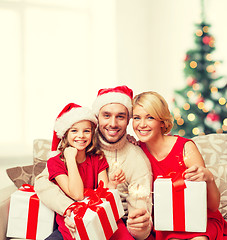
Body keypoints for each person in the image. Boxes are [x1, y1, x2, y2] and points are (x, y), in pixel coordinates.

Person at [34, 85, 153, 240]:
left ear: (127, 120)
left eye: (120, 117)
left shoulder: (132, 158)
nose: (113, 124)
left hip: (111, 222)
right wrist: (69, 210)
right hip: (70, 222)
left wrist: (140, 225)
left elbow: (136, 206)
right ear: (97, 118)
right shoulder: (79, 143)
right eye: (106, 115)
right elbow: (42, 183)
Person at [132, 91, 227, 240]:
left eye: (150, 117)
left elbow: (213, 206)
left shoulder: (185, 148)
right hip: (168, 223)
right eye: (137, 118)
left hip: (201, 220)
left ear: (162, 122)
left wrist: (208, 178)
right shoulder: (136, 152)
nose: (141, 124)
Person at [46, 103, 126, 239]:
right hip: (71, 220)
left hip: (97, 215)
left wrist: (112, 184)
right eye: (74, 131)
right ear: (65, 134)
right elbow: (77, 195)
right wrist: (70, 159)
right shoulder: (55, 163)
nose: (81, 136)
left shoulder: (97, 158)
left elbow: (104, 193)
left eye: (86, 131)